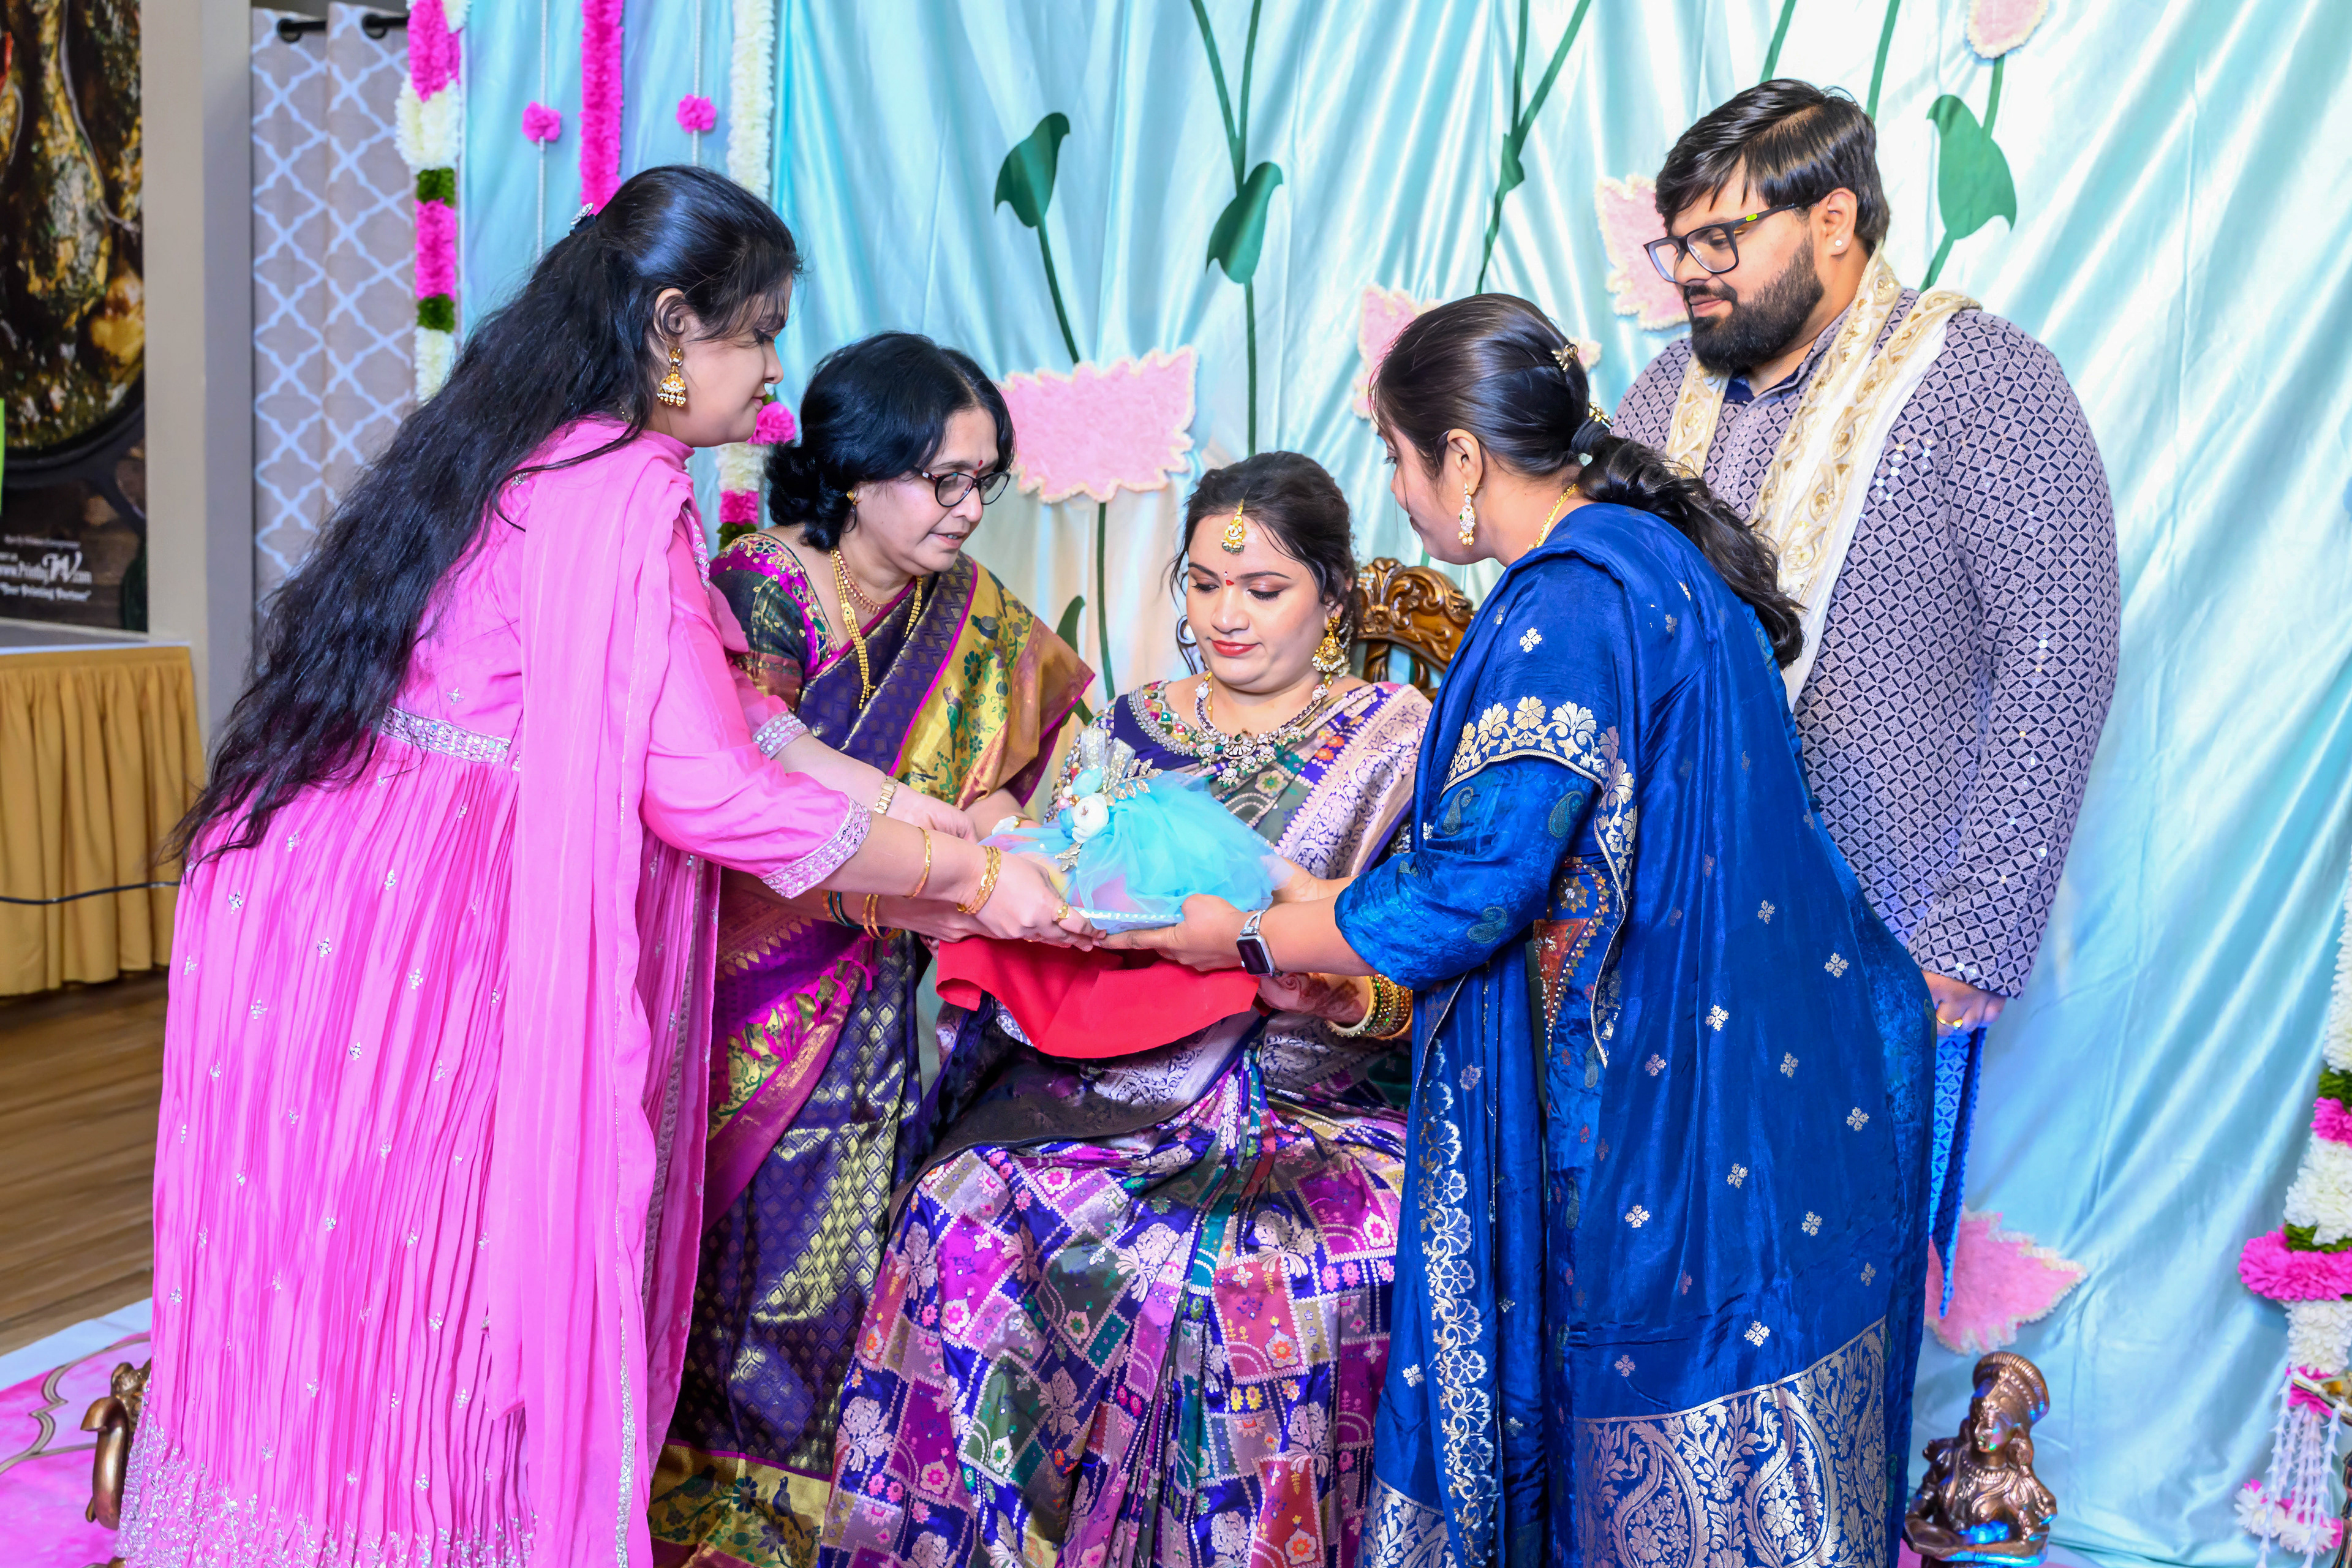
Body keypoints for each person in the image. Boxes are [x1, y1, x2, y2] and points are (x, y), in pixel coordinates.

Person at [127, 166, 1080, 1568]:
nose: (774, 373)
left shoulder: (527, 439)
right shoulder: (629, 483)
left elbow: (729, 718)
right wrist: (973, 880)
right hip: (443, 929)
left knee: (336, 1276)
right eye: (758, 333)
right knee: (452, 1292)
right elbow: (706, 788)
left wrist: (941, 824)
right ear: (672, 325)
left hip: (325, 897)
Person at [1118, 296, 1936, 1562]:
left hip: (1641, 1094)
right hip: (1753, 1065)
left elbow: (1472, 889)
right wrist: (1317, 914)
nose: (1398, 493)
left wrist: (1254, 940)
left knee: (1638, 1409)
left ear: (1461, 457)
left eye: (1398, 457)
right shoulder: (1650, 555)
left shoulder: (1562, 605)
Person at [812, 453, 1431, 1568]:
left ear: (1333, 595)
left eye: (1264, 589)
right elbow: (1061, 874)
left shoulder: (1397, 737)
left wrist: (1332, 991)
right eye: (1204, 584)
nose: (1227, 615)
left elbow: (1430, 958)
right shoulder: (1138, 722)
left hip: (1316, 1098)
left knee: (1248, 1282)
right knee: (955, 1207)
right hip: (1107, 1079)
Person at [652, 333, 1092, 1564]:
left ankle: (833, 1497)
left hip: (894, 982)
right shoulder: (762, 581)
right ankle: (708, 1497)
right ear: (855, 468)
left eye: (982, 480)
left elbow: (1040, 754)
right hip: (751, 980)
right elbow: (752, 764)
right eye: (942, 478)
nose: (968, 507)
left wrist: (996, 820)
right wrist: (929, 823)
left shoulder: (975, 611)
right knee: (744, 1246)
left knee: (855, 1242)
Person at [1613, 79, 2118, 1071]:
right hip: (1664, 928)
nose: (1691, 273)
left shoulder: (1982, 377)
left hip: (1886, 942)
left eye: (1720, 239)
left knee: (1854, 1177)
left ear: (1834, 220)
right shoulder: (1666, 390)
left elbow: (2057, 655)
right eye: (1677, 247)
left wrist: (1974, 937)